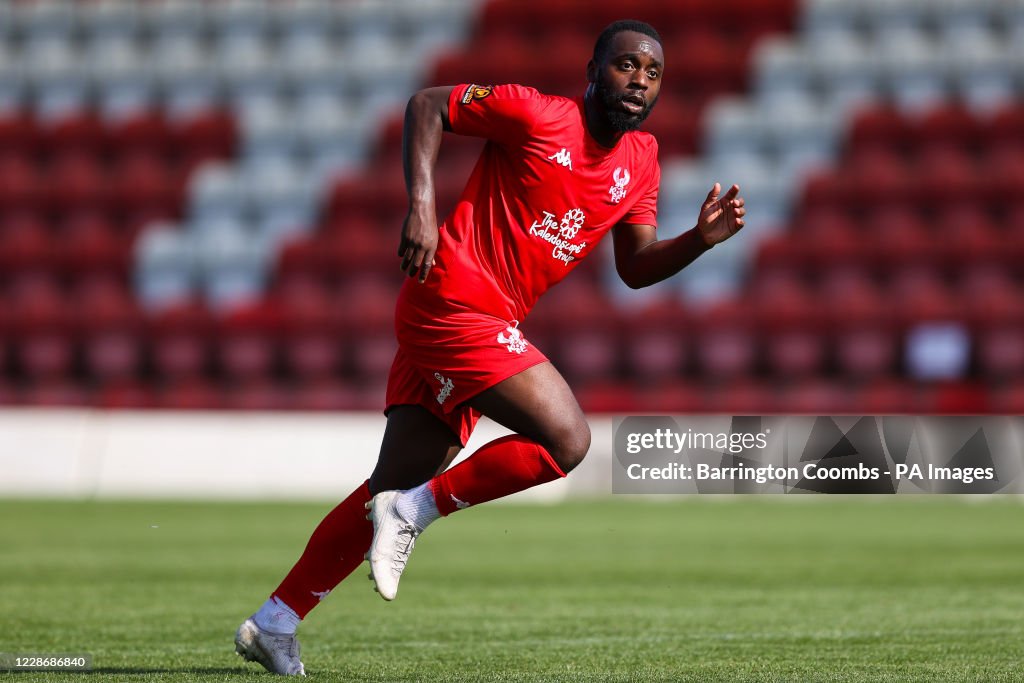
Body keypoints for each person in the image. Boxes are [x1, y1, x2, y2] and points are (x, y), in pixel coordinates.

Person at [235, 19, 746, 675]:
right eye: (625, 65)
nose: (639, 81)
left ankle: (274, 621)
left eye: (652, 73)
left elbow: (636, 265)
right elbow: (427, 105)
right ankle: (415, 512)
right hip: (451, 297)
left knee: (389, 484)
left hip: (485, 318)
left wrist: (698, 240)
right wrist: (421, 206)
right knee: (568, 440)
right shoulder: (538, 114)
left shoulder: (641, 160)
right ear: (595, 70)